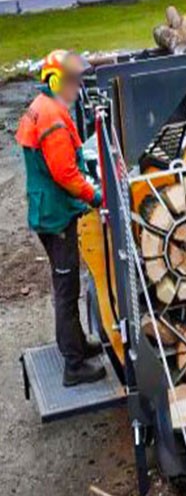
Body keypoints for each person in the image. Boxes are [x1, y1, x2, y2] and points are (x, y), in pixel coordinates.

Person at [16, 50, 107, 387]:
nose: (78, 86)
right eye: (73, 80)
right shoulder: (52, 118)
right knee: (66, 289)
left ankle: (78, 345)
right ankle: (74, 365)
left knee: (66, 283)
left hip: (47, 209)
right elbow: (66, 173)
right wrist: (95, 195)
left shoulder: (44, 106)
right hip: (56, 217)